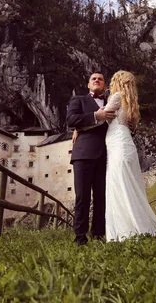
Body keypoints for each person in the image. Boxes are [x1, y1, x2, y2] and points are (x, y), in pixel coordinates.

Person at [103, 70, 156, 242]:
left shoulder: (116, 97)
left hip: (118, 146)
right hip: (126, 144)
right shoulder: (129, 102)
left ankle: (127, 229)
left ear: (117, 82)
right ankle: (134, 225)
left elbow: (104, 115)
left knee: (119, 186)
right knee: (129, 185)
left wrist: (96, 112)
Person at [66, 73, 115, 246]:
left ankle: (99, 235)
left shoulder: (111, 103)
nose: (96, 80)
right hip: (83, 155)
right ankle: (80, 238)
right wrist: (95, 116)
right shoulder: (78, 100)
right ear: (88, 85)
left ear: (105, 85)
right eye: (93, 78)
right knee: (82, 197)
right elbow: (71, 119)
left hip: (105, 155)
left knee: (101, 197)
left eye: (100, 79)